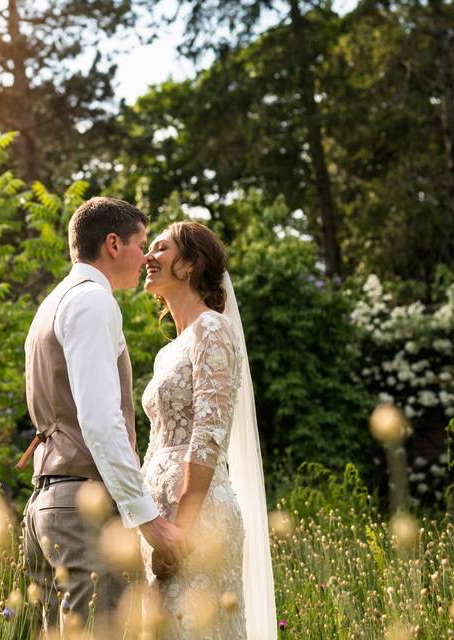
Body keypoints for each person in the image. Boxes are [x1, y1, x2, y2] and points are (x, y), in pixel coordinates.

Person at [19, 197, 189, 628]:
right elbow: (99, 420)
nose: (146, 256)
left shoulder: (54, 302)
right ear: (113, 244)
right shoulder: (93, 301)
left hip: (47, 504)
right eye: (141, 244)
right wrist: (149, 519)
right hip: (82, 512)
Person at [140, 221, 277, 638]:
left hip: (197, 520)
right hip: (160, 522)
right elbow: (153, 443)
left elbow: (208, 433)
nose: (148, 256)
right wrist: (148, 521)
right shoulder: (167, 352)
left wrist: (181, 525)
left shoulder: (212, 329)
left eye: (161, 249)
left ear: (190, 264)